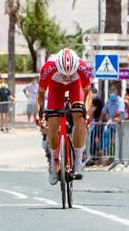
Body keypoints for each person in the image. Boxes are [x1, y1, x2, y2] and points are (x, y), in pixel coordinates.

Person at [36, 48, 92, 185]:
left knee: (79, 117)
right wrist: (41, 114)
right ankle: (54, 162)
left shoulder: (82, 67)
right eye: (63, 74)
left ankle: (78, 162)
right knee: (53, 124)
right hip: (56, 87)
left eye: (70, 74)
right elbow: (40, 95)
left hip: (75, 86)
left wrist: (86, 111)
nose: (67, 76)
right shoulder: (48, 67)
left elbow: (88, 93)